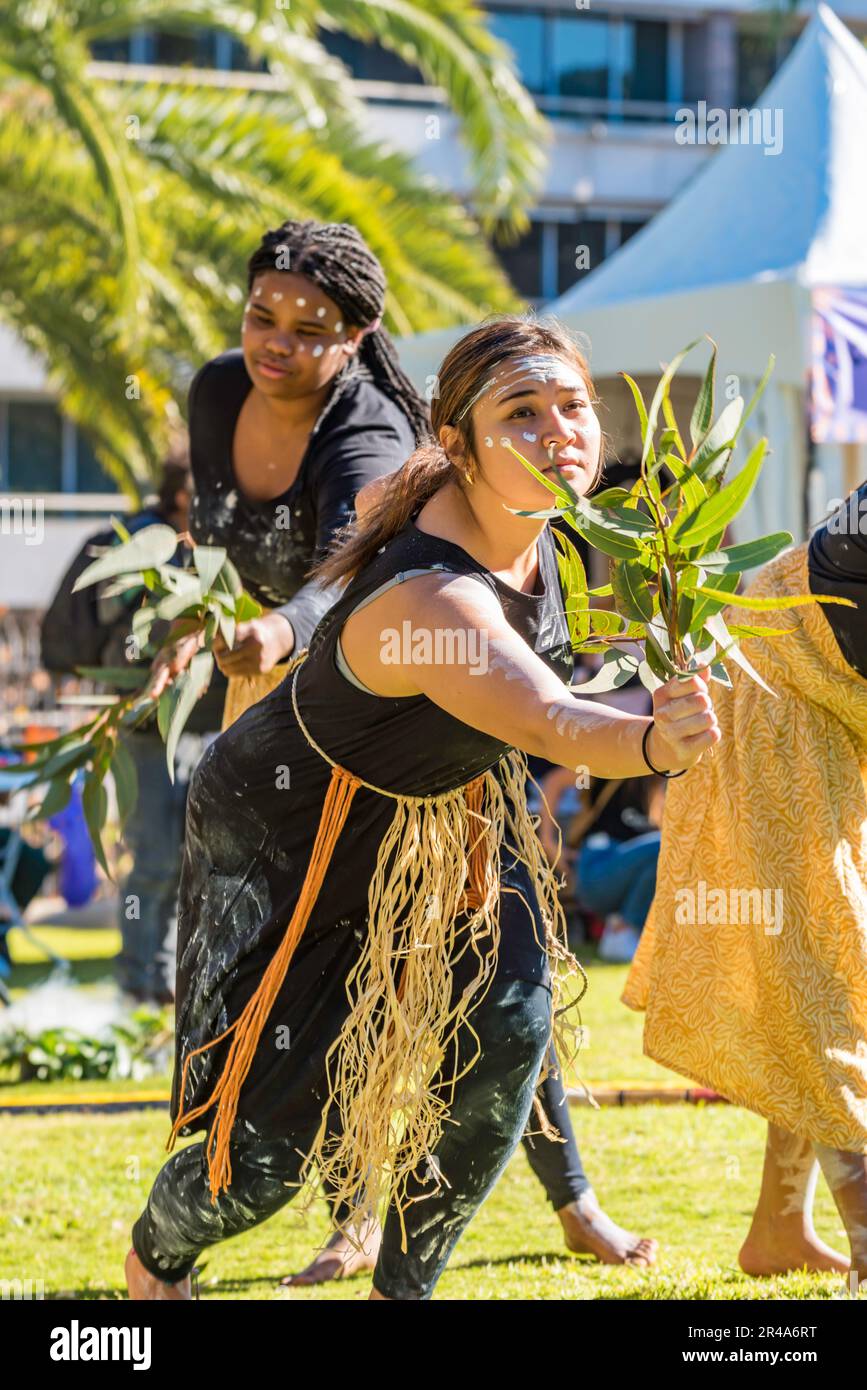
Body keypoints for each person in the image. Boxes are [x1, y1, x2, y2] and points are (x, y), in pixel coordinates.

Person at [125, 314, 719, 1301]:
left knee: (510, 1033)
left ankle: (405, 1288)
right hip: (300, 832)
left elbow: (572, 683)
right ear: (460, 442)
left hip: (455, 808)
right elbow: (549, 715)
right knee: (268, 1149)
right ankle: (159, 1253)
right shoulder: (434, 598)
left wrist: (681, 677)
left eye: (570, 406)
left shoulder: (558, 532)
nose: (557, 430)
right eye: (520, 412)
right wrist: (659, 737)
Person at [623, 480, 867, 1290]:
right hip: (773, 685)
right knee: (828, 968)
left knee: (814, 971)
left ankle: (778, 1230)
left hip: (823, 692)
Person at [150, 219, 425, 724]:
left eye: (308, 331)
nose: (277, 344)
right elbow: (212, 544)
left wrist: (280, 631)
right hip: (262, 695)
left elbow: (350, 572)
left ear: (353, 337)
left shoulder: (368, 438)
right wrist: (192, 617)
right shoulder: (219, 390)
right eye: (262, 317)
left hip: (363, 703)